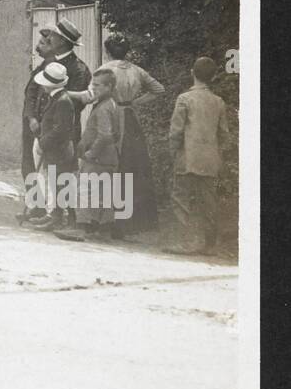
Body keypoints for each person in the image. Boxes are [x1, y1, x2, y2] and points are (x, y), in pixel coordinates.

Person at [20, 18, 91, 222]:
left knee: (61, 173)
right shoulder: (48, 62)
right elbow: (31, 92)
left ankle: (61, 215)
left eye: (53, 36)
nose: (48, 37)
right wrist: (32, 117)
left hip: (59, 131)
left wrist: (45, 123)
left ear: (62, 40)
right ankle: (38, 208)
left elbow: (73, 104)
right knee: (31, 167)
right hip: (34, 126)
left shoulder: (78, 69)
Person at [164, 57, 231, 255]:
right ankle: (209, 245)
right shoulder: (218, 102)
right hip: (210, 159)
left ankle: (185, 242)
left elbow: (176, 131)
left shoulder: (184, 99)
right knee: (208, 201)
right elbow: (224, 134)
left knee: (181, 199)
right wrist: (218, 154)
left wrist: (173, 152)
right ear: (214, 76)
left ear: (191, 73)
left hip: (187, 156)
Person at [99, 35, 165, 237]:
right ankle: (129, 222)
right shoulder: (137, 70)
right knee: (132, 167)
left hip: (110, 115)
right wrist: (135, 102)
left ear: (108, 51)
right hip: (130, 118)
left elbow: (94, 93)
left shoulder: (105, 69)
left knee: (108, 165)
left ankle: (105, 221)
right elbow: (159, 89)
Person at [55, 67, 121, 242]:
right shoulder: (111, 104)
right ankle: (104, 230)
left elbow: (105, 134)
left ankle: (81, 228)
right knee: (105, 193)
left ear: (109, 86)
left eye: (98, 85)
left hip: (97, 158)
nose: (94, 88)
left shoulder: (104, 108)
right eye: (93, 84)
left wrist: (92, 152)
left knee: (83, 191)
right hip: (109, 157)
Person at [28, 60, 78, 230]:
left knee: (58, 183)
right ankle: (52, 215)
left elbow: (61, 129)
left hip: (59, 149)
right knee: (53, 182)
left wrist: (43, 143)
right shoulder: (55, 97)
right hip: (54, 148)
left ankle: (58, 218)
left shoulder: (62, 101)